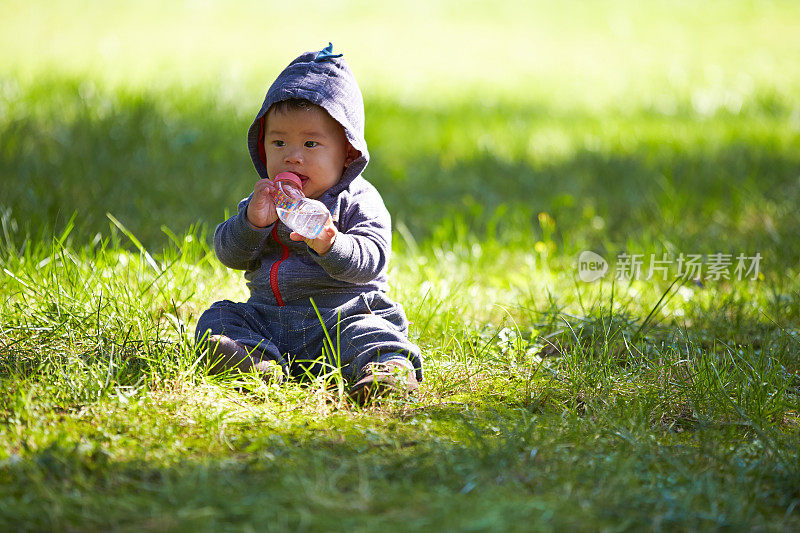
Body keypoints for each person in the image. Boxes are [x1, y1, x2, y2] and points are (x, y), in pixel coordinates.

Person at [195, 43, 423, 402]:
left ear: (347, 152)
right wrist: (251, 223)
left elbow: (372, 259)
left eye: (311, 144)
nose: (293, 156)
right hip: (270, 319)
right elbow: (228, 252)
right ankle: (256, 364)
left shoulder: (358, 201)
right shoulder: (264, 203)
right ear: (262, 146)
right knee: (219, 317)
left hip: (341, 318)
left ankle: (385, 371)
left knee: (372, 332)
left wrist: (331, 242)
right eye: (279, 142)